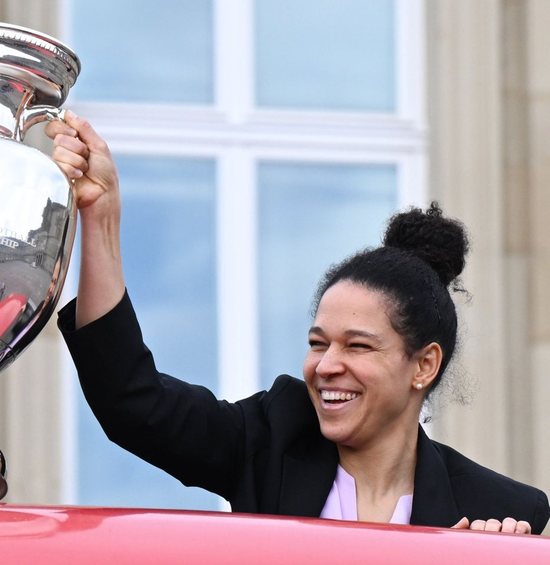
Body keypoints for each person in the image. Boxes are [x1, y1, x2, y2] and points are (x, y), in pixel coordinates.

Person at [46, 111, 549, 534]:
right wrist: (101, 215)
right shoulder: (270, 437)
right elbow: (131, 400)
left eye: (357, 346)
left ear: (424, 365)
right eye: (318, 343)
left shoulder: (496, 510)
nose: (326, 366)